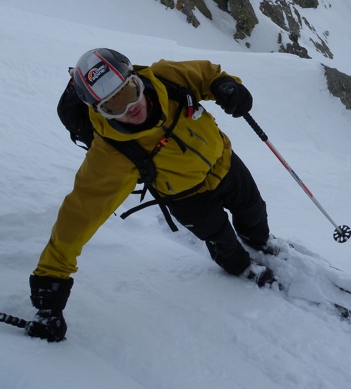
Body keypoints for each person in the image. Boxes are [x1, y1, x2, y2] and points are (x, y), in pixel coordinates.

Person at [26, 48, 276, 343]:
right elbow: (77, 218)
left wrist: (226, 85)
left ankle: (258, 241)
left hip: (224, 160)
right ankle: (240, 266)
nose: (128, 107)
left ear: (135, 78)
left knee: (253, 209)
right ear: (98, 111)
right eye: (112, 106)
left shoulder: (165, 77)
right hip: (186, 196)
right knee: (220, 238)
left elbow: (206, 74)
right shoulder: (111, 154)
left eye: (128, 92)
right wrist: (49, 294)